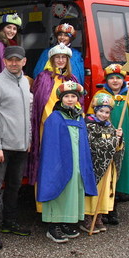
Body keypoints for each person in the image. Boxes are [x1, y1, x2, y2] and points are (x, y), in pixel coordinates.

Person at [0, 45, 32, 249]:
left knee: (14, 186)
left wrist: (27, 140)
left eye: (17, 59)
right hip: (1, 148)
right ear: (4, 61)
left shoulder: (25, 83)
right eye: (10, 59)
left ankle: (9, 223)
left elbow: (28, 114)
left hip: (20, 147)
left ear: (24, 61)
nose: (13, 63)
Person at [37, 81, 97, 243]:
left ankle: (65, 221)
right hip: (60, 162)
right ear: (61, 99)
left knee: (72, 188)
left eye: (73, 96)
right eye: (67, 97)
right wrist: (56, 165)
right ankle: (53, 225)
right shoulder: (55, 117)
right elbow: (51, 145)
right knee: (59, 188)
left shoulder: (78, 116)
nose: (70, 100)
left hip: (77, 161)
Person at [88, 64, 129, 224]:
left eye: (118, 78)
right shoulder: (99, 96)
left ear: (123, 81)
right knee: (103, 177)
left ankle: (112, 209)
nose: (115, 81)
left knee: (117, 176)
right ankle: (100, 210)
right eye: (111, 78)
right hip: (102, 146)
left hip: (121, 145)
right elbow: (90, 121)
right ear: (107, 80)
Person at [26, 43, 80, 185]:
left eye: (64, 57)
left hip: (67, 127)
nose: (61, 60)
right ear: (52, 59)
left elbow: (78, 105)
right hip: (48, 127)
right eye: (58, 57)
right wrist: (52, 123)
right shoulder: (44, 78)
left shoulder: (71, 79)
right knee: (48, 159)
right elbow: (40, 103)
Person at [82, 93, 123, 233]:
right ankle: (88, 218)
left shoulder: (109, 126)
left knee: (103, 192)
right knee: (93, 192)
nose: (104, 115)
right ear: (95, 110)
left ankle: (98, 216)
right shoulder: (89, 125)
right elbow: (93, 144)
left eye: (107, 112)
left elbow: (116, 147)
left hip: (107, 167)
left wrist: (119, 138)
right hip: (94, 166)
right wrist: (113, 141)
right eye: (101, 111)